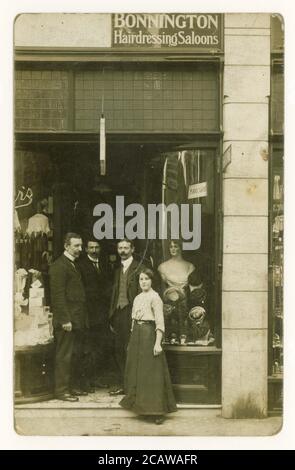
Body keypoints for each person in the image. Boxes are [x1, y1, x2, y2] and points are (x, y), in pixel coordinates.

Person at [119, 268, 177, 424]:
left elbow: (159, 322)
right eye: (141, 279)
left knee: (151, 373)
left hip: (149, 334)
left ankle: (156, 411)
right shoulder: (138, 298)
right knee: (138, 371)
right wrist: (132, 340)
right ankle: (142, 408)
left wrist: (158, 343)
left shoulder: (155, 298)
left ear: (152, 281)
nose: (143, 282)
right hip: (137, 335)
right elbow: (133, 321)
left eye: (146, 279)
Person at [49, 232, 88, 402]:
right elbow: (57, 296)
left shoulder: (72, 264)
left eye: (80, 245)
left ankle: (71, 387)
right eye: (76, 246)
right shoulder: (59, 266)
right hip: (67, 321)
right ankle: (61, 391)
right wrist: (65, 319)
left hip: (76, 319)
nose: (80, 249)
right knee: (64, 355)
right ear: (66, 246)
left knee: (74, 354)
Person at [108, 239, 143, 395]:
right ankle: (124, 384)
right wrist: (112, 316)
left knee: (132, 349)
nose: (123, 251)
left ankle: (133, 385)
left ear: (132, 249)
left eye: (126, 248)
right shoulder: (117, 270)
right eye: (120, 248)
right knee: (119, 349)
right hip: (119, 313)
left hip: (132, 312)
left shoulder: (140, 268)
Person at [77, 238, 110, 391]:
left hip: (102, 315)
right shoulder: (80, 266)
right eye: (91, 247)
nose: (94, 250)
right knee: (87, 348)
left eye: (96, 247)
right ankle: (85, 382)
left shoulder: (104, 264)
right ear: (86, 249)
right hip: (88, 315)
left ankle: (95, 378)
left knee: (100, 347)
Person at [158, 240, 195, 343]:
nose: (173, 249)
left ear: (181, 248)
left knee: (184, 315)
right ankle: (172, 336)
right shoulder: (163, 267)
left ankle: (184, 336)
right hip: (170, 298)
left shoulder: (189, 266)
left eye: (176, 246)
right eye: (171, 247)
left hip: (185, 300)